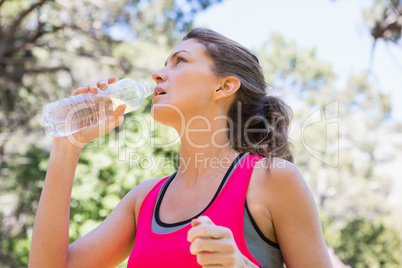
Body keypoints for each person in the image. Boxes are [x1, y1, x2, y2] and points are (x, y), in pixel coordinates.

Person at [29, 28, 333, 268]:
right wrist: (67, 146)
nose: (158, 74)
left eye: (180, 61)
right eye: (164, 64)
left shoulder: (272, 179)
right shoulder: (143, 200)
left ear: (224, 86)